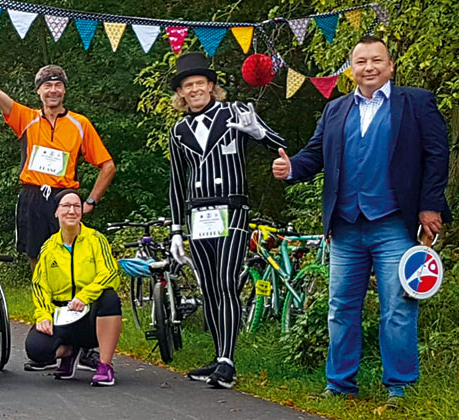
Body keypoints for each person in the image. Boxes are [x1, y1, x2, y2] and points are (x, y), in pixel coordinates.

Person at [272, 36, 451, 408]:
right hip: (346, 225)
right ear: (350, 69)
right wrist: (291, 169)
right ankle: (339, 385)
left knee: (398, 307)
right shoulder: (335, 109)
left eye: (376, 60)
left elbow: (437, 155)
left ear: (390, 66)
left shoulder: (416, 103)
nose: (368, 67)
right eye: (360, 61)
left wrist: (430, 206)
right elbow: (315, 154)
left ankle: (400, 387)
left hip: (394, 223)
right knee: (340, 307)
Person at [167, 52, 286, 389]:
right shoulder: (178, 131)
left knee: (225, 281)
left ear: (211, 86)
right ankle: (219, 356)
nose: (194, 90)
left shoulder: (235, 114)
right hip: (197, 215)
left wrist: (258, 133)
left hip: (231, 210)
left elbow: (281, 147)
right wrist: (176, 229)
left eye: (199, 83)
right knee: (208, 287)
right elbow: (176, 182)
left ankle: (228, 362)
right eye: (187, 85)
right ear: (181, 93)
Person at [0, 33, 116, 270]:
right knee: (36, 255)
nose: (53, 90)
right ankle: (43, 302)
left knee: (70, 254)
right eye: (47, 86)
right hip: (32, 195)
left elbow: (108, 166)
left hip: (64, 195)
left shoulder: (80, 124)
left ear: (64, 90)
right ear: (39, 92)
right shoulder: (26, 118)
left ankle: (71, 303)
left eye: (58, 85)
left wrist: (91, 201)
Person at [26, 190, 122, 386]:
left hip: (91, 315)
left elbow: (111, 273)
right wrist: (43, 315)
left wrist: (85, 296)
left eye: (76, 206)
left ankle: (105, 365)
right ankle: (70, 352)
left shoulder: (96, 239)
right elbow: (39, 286)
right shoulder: (48, 248)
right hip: (62, 315)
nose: (71, 211)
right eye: (66, 206)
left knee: (110, 298)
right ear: (56, 212)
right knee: (36, 350)